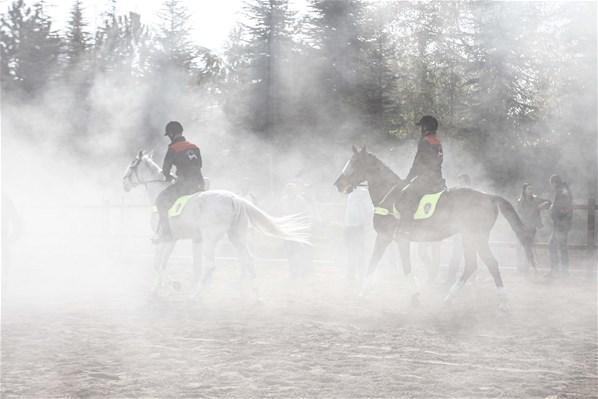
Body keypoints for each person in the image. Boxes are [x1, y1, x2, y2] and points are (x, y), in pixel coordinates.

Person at [155, 121, 204, 242]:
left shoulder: (173, 148)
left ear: (171, 134)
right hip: (200, 183)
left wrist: (169, 177)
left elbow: (165, 170)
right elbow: (200, 165)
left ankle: (166, 234)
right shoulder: (194, 147)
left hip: (185, 185)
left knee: (160, 201)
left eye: (169, 135)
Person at [399, 115, 446, 231]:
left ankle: (406, 229)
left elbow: (417, 164)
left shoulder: (424, 142)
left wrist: (407, 179)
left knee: (407, 197)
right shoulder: (437, 141)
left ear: (425, 128)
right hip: (438, 180)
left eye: (421, 127)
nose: (419, 130)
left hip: (427, 180)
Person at [517, 183, 551, 273]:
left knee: (528, 246)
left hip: (532, 227)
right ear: (524, 191)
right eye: (528, 189)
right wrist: (537, 208)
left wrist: (544, 205)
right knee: (526, 247)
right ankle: (530, 266)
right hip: (523, 226)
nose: (531, 191)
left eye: (531, 189)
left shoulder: (535, 199)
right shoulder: (521, 202)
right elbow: (524, 214)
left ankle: (530, 266)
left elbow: (549, 202)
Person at [344, 182, 373, 283]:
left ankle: (351, 275)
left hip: (349, 227)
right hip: (359, 228)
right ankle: (361, 275)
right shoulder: (364, 194)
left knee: (352, 252)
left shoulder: (351, 194)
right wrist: (369, 224)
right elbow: (370, 210)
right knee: (361, 253)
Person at [547, 174, 573, 277]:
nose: (551, 186)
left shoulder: (561, 191)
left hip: (561, 224)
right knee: (561, 246)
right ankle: (564, 271)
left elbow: (563, 208)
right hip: (562, 223)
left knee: (553, 245)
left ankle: (557, 271)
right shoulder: (564, 190)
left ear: (554, 183)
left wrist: (553, 211)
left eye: (551, 184)